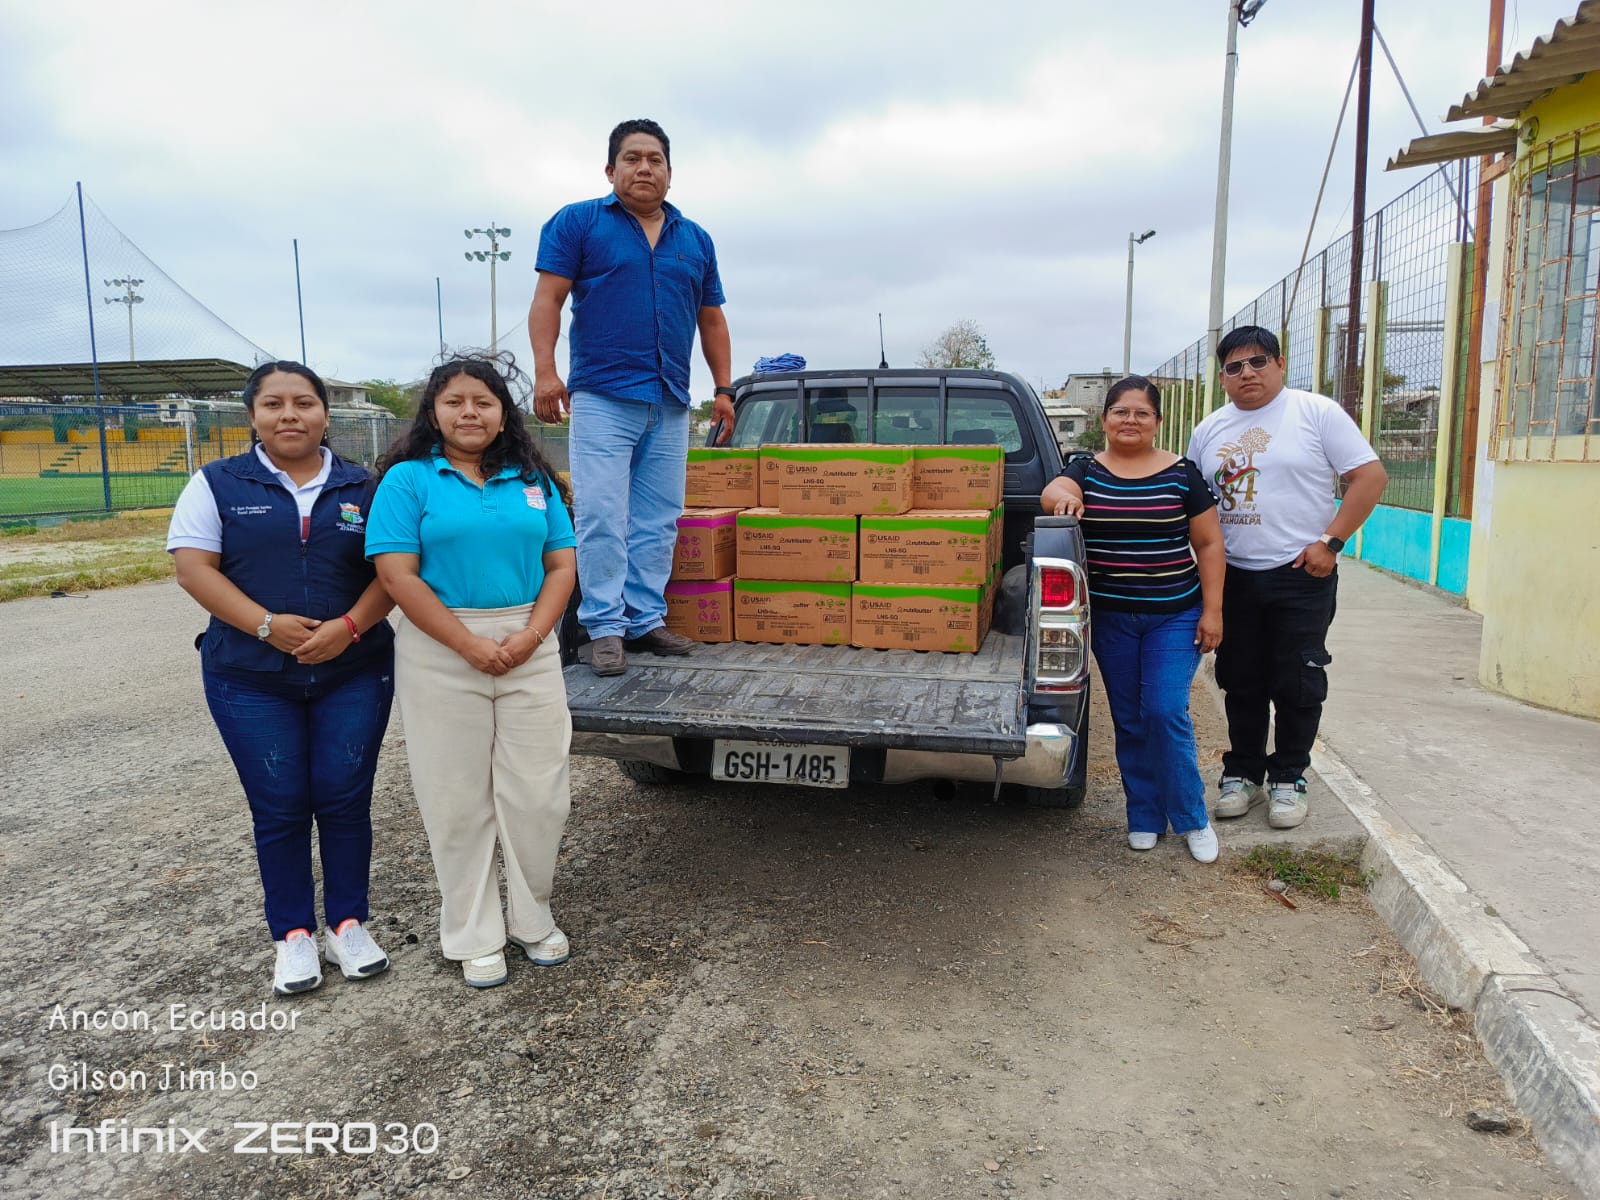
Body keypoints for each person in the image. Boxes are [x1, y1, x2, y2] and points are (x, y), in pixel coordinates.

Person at [167, 361, 396, 996]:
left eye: (303, 402)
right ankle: (293, 934)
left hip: (353, 670)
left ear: (326, 414)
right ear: (253, 416)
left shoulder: (366, 487)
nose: (289, 415)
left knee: (345, 798)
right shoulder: (215, 483)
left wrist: (348, 627)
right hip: (249, 677)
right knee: (280, 804)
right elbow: (194, 569)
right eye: (273, 404)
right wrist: (267, 626)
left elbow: (395, 572)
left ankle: (348, 925)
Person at [366, 353, 578, 989]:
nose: (469, 413)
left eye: (483, 402)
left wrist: (533, 635)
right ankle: (473, 932)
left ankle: (533, 917)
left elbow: (561, 565)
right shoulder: (408, 481)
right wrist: (466, 643)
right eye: (454, 401)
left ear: (502, 413)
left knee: (540, 795)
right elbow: (397, 576)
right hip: (441, 648)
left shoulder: (532, 479)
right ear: (433, 412)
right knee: (455, 798)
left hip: (528, 643)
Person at [528, 117, 735, 677]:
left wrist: (722, 389)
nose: (645, 168)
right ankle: (605, 628)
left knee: (659, 519)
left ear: (669, 171)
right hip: (602, 396)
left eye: (655, 159)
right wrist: (546, 373)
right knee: (601, 515)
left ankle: (645, 619)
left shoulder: (695, 239)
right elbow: (548, 300)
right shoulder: (578, 223)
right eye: (632, 158)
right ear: (610, 169)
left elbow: (712, 319)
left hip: (670, 400)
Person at [1187, 326, 1388, 829]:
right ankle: (1243, 774)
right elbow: (1194, 502)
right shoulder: (1209, 430)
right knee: (1241, 680)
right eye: (1234, 367)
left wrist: (1332, 543)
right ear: (1222, 377)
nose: (1247, 373)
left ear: (1280, 364)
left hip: (1301, 574)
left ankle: (1289, 777)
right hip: (1234, 576)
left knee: (1298, 681)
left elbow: (1370, 476)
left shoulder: (1315, 413)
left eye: (1258, 362)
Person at [1041, 377, 1227, 862]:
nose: (1130, 420)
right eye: (1120, 411)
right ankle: (1144, 815)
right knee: (1128, 718)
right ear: (1104, 419)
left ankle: (1192, 817)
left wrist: (1213, 612)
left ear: (1157, 422)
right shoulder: (1085, 469)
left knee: (1164, 711)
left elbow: (1209, 543)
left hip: (1175, 614)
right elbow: (1054, 489)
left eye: (1142, 413)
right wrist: (1064, 498)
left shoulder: (1182, 474)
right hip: (1112, 619)